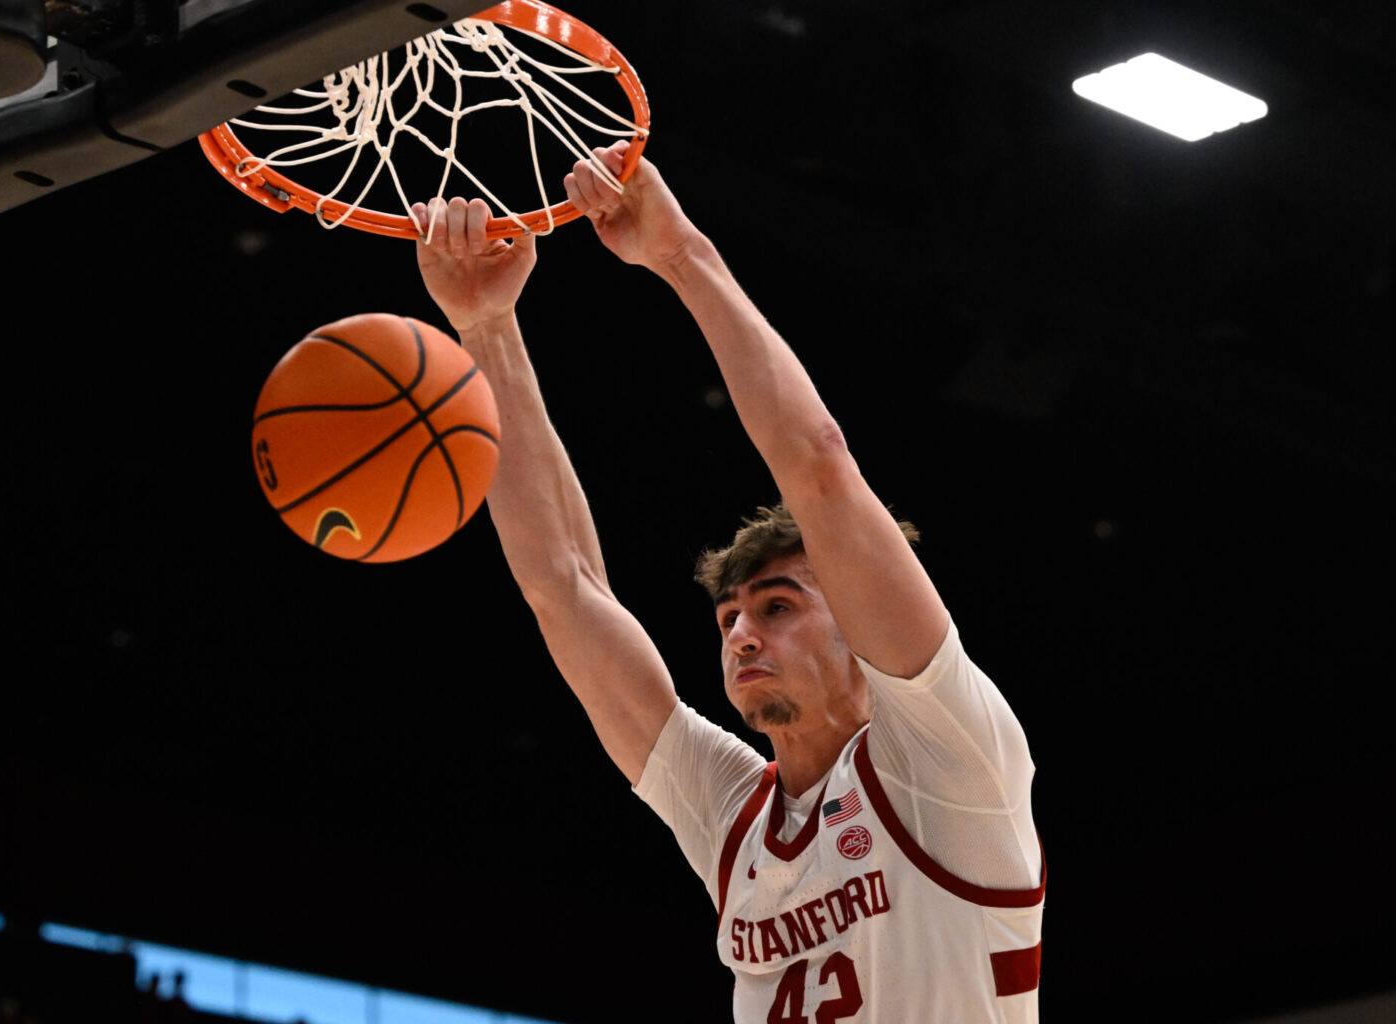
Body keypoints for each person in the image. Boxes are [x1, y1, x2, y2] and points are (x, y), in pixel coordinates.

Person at [410, 141, 1045, 1022]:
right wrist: (485, 329)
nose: (742, 633)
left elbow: (820, 467)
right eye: (729, 617)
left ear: (854, 622)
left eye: (778, 606)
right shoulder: (732, 812)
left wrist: (680, 255)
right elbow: (566, 588)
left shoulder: (943, 753)